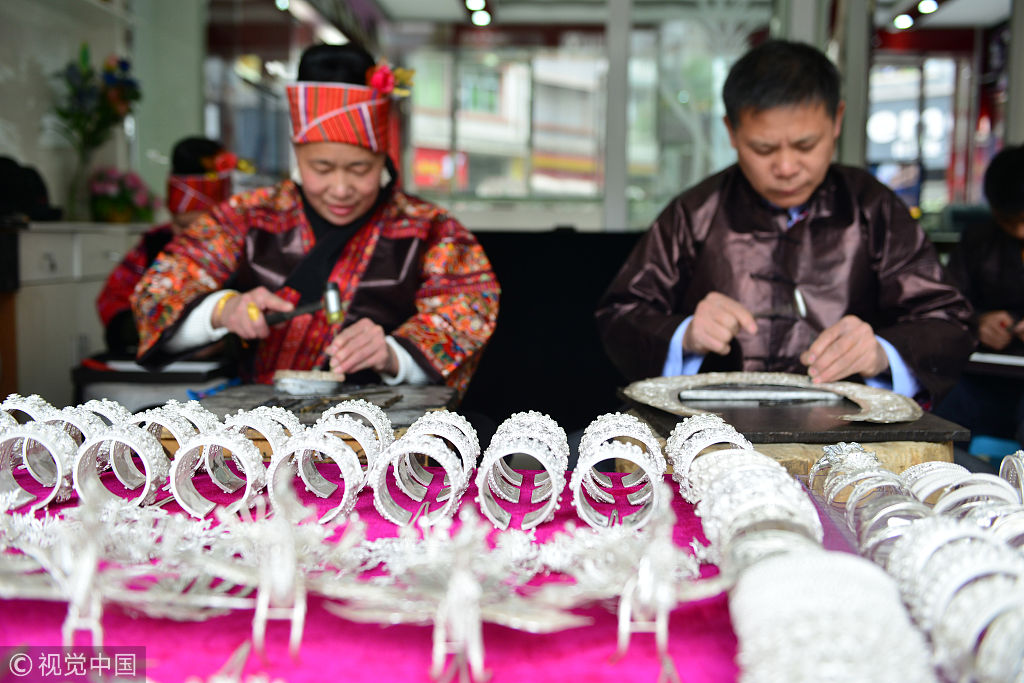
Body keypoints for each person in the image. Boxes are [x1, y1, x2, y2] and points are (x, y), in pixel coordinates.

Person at [595, 39, 973, 406]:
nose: (787, 168)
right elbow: (622, 313)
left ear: (837, 119)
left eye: (806, 146)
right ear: (731, 131)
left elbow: (947, 320)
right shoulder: (695, 211)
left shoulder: (874, 208)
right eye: (764, 149)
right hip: (712, 430)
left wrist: (880, 352)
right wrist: (686, 334)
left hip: (849, 434)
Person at [131, 43, 500, 395]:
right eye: (321, 167)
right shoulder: (247, 216)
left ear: (384, 158)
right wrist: (223, 309)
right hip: (260, 430)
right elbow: (158, 292)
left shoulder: (432, 230)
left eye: (360, 168)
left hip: (387, 433)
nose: (340, 189)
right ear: (297, 154)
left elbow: (470, 307)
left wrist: (393, 355)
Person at [96, 137, 235, 354]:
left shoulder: (242, 250)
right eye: (181, 226)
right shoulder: (154, 244)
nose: (188, 237)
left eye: (201, 228)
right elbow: (113, 302)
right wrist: (150, 330)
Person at [934, 144, 1024, 446]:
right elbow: (945, 303)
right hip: (988, 377)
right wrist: (978, 321)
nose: (1021, 231)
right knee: (946, 405)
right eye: (1011, 222)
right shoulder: (977, 241)